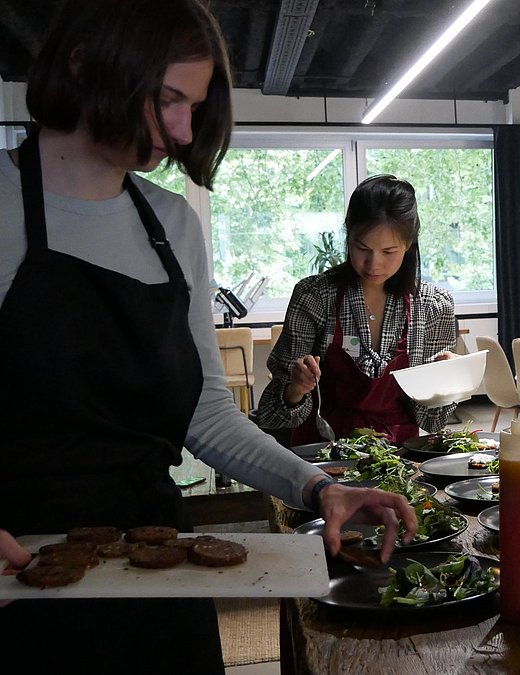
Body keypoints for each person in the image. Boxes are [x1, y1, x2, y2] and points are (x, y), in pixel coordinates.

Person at [0, 1, 416, 671]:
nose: (182, 130)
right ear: (84, 64)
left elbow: (205, 411)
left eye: (194, 108)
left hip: (162, 565)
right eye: (168, 100)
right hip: (21, 579)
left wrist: (317, 487)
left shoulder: (171, 227)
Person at [257, 175, 459, 444]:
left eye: (389, 252)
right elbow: (271, 415)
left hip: (399, 457)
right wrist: (296, 388)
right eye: (362, 248)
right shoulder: (315, 296)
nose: (373, 264)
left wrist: (445, 384)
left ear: (409, 245)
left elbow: (433, 421)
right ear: (348, 236)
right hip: (322, 452)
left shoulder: (433, 306)